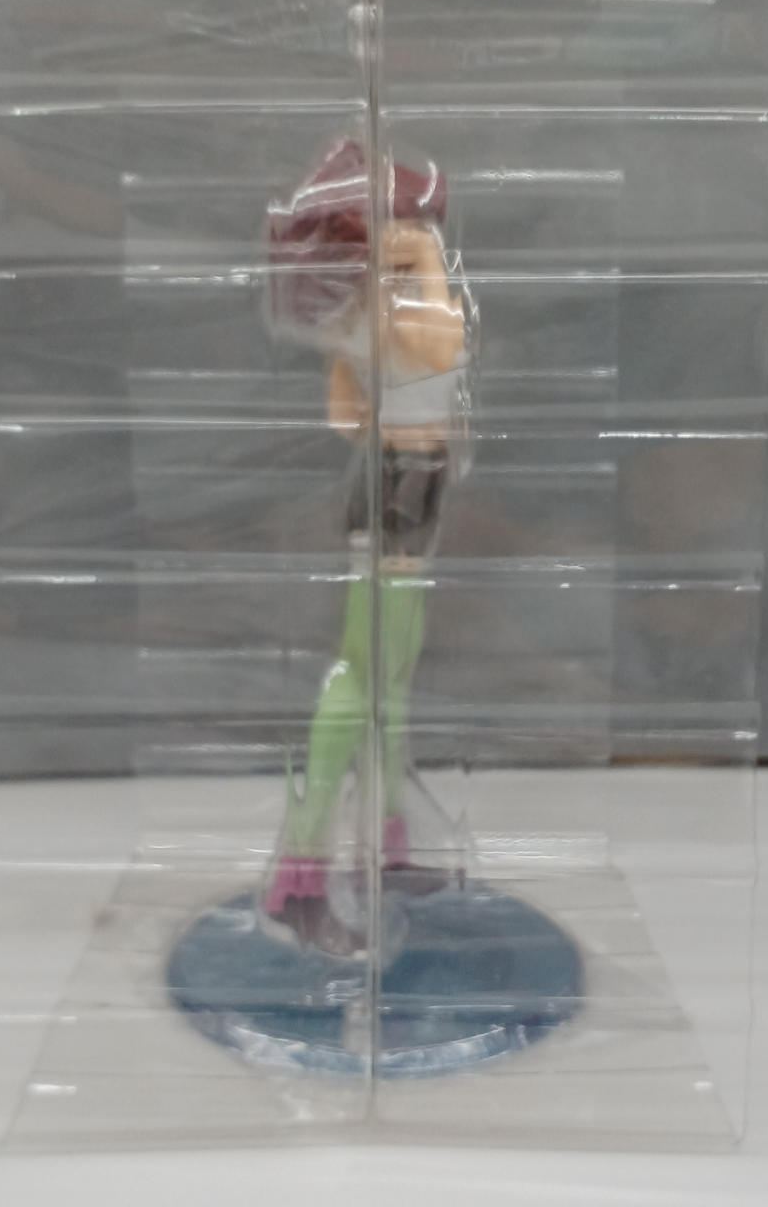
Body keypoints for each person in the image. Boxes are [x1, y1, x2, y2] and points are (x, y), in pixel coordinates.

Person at [260, 137, 472, 952]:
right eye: (413, 221)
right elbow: (443, 345)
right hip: (397, 488)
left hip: (409, 477)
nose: (426, 233)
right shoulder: (398, 304)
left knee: (394, 675)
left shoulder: (371, 309)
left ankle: (385, 845)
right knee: (360, 674)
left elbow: (345, 415)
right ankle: (300, 877)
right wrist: (421, 263)